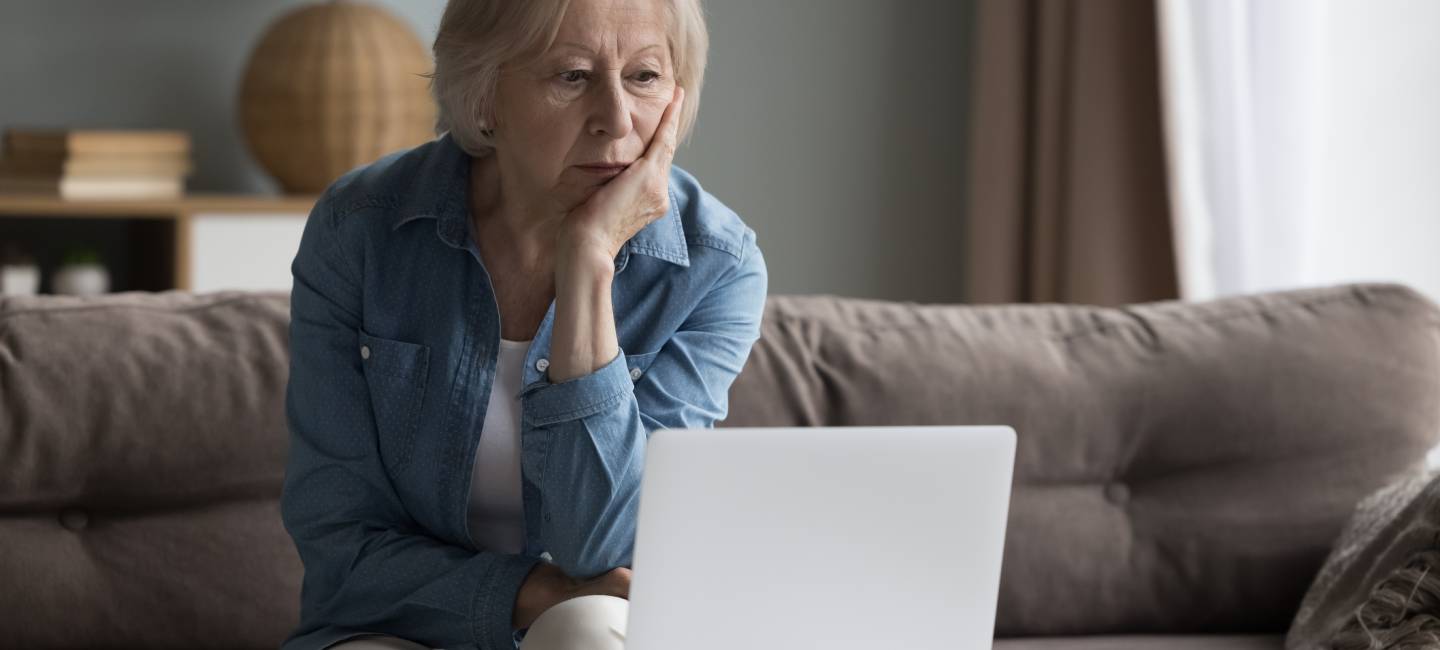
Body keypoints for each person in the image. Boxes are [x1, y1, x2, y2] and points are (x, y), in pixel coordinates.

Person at [278, 0, 766, 647]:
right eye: (572, 76)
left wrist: (588, 262)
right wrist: (529, 594)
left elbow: (606, 547)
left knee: (590, 629)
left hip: (585, 629)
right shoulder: (360, 228)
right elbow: (338, 540)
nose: (617, 119)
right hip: (394, 629)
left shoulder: (714, 266)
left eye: (644, 77)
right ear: (484, 94)